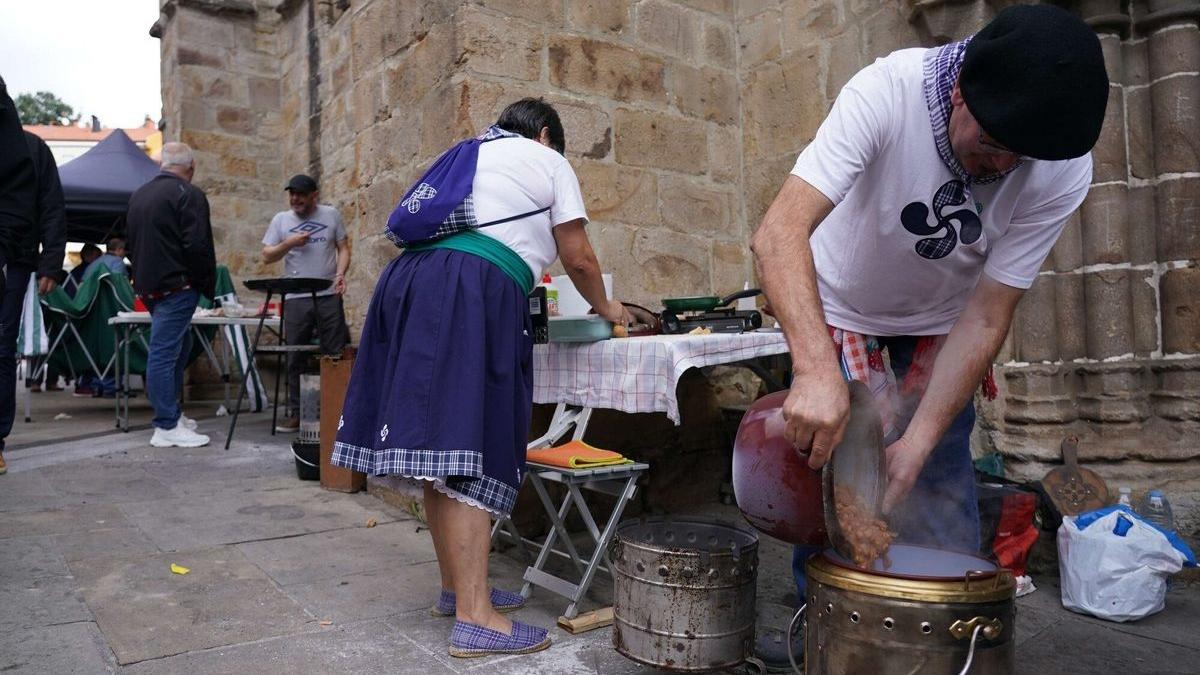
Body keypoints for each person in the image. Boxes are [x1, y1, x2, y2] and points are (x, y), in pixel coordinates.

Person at [750, 3, 1108, 647]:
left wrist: (913, 447)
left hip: (940, 326)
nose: (1003, 169)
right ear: (963, 93)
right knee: (834, 488)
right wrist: (813, 372)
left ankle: (949, 646)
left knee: (939, 483)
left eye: (1021, 160)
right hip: (837, 309)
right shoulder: (886, 93)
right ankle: (827, 643)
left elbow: (988, 311)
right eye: (994, 146)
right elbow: (779, 232)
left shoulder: (1060, 164)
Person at [331, 98, 631, 658]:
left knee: (442, 440)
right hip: (467, 287)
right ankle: (477, 619)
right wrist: (608, 308)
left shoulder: (467, 157)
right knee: (468, 439)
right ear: (545, 135)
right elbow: (579, 257)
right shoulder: (547, 160)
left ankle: (456, 590)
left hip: (411, 284)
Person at [126, 142, 216, 448]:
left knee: (180, 344)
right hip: (177, 286)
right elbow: (197, 245)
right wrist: (205, 285)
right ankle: (165, 424)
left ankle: (172, 415)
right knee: (165, 352)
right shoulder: (188, 194)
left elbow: (130, 243)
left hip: (150, 286)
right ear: (191, 168)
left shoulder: (139, 195)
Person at [260, 174, 351, 433]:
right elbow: (266, 256)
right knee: (295, 355)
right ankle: (298, 413)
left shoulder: (331, 215)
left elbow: (343, 247)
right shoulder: (281, 220)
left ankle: (339, 412)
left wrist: (341, 273)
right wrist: (289, 243)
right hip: (297, 297)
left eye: (300, 194)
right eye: (292, 194)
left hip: (328, 293)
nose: (295, 199)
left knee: (335, 352)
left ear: (314, 196)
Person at [0, 125, 67, 475]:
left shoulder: (32, 147)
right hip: (16, 255)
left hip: (12, 257)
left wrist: (51, 264)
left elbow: (52, 205)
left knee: (0, 347)